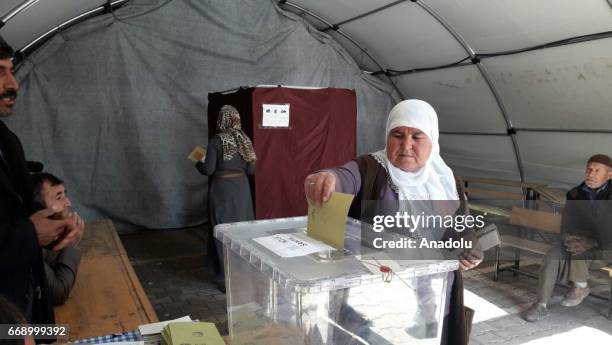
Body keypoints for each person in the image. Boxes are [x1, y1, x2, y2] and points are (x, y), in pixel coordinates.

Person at [304, 99, 482, 345]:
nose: (406, 145)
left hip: (435, 292)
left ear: (432, 139)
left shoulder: (446, 180)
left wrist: (469, 249)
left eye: (417, 137)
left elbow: (462, 227)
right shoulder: (370, 168)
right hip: (379, 294)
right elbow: (345, 177)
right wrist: (328, 178)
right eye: (397, 135)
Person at [0, 35, 83, 323]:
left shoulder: (7, 141)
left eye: (11, 70)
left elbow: (16, 217)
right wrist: (30, 234)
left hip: (27, 311)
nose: (13, 84)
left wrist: (55, 229)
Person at [525, 154, 612, 322]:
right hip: (582, 243)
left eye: (597, 170)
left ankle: (580, 286)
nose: (590, 174)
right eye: (589, 169)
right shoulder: (575, 193)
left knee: (580, 253)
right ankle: (540, 305)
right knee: (553, 255)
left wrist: (592, 242)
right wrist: (569, 237)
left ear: (609, 175)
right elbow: (567, 223)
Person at [195, 105, 256, 283]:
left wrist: (198, 158)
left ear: (221, 119)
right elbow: (251, 170)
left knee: (222, 231)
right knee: (242, 231)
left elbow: (208, 169)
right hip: (242, 191)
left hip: (222, 191)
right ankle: (244, 271)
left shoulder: (216, 141)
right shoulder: (245, 140)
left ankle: (225, 278)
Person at [31, 172, 83, 306]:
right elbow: (58, 293)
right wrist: (71, 244)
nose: (68, 203)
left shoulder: (50, 239)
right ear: (38, 210)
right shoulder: (26, 241)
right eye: (59, 198)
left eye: (65, 195)